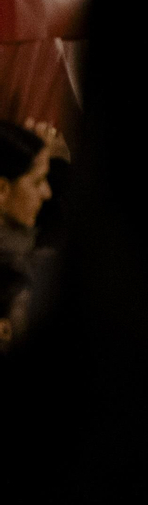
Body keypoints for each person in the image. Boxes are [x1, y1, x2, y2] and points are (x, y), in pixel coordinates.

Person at [0, 122, 55, 354]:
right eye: (37, 182)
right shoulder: (13, 272)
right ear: (2, 189)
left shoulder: (20, 245)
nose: (47, 193)